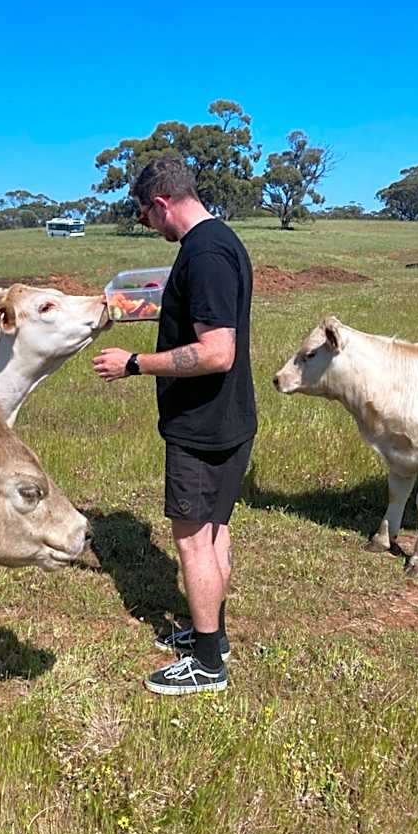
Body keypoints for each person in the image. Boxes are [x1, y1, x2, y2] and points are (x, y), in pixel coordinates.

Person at [92, 156, 257, 696]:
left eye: (144, 215)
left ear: (161, 203)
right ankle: (214, 636)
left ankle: (207, 665)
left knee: (192, 543)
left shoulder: (204, 254)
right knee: (214, 531)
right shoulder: (219, 241)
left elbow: (217, 353)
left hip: (201, 425)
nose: (146, 224)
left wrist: (135, 363)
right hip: (229, 418)